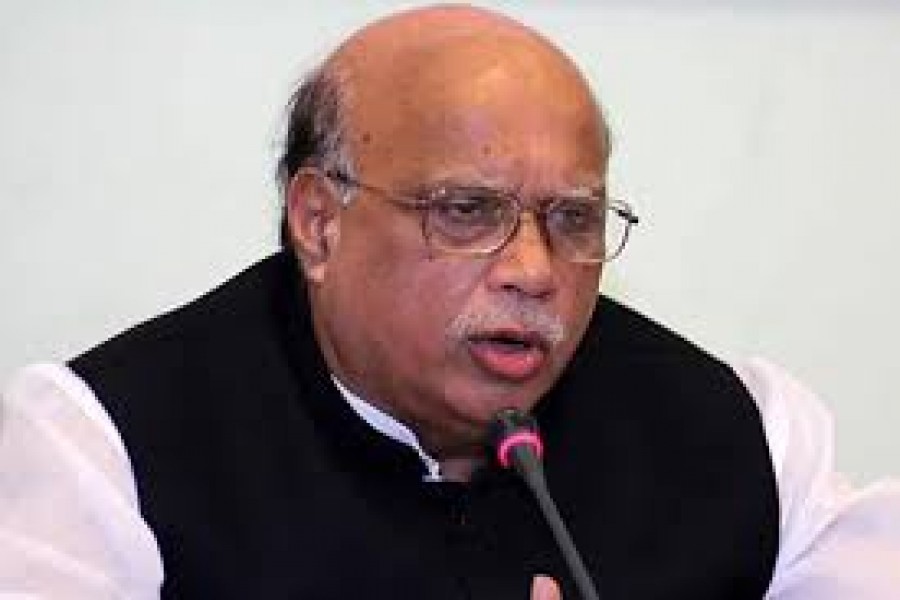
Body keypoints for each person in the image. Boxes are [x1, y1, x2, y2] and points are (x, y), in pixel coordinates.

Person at [1, 5, 898, 599]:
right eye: (468, 211)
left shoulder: (743, 437)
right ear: (319, 224)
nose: (534, 270)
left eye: (573, 218)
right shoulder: (102, 450)